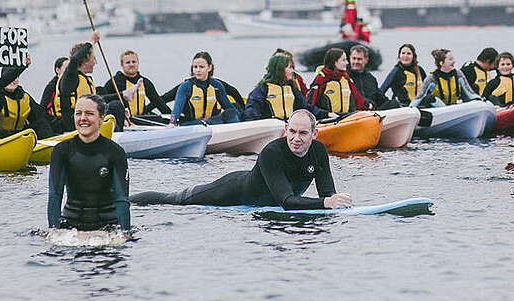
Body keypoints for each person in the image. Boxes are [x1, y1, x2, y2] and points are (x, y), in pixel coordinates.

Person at [131, 109, 352, 210]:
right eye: (291, 131)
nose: (295, 138)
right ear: (286, 129)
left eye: (303, 133)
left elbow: (326, 194)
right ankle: (126, 200)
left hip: (270, 202)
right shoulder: (272, 153)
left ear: (314, 134)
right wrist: (326, 203)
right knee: (176, 199)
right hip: (232, 191)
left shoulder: (319, 151)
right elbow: (286, 202)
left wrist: (336, 201)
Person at [47, 94, 130, 231]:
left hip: (108, 226)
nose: (83, 118)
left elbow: (122, 199)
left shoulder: (115, 152)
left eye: (89, 114)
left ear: (101, 118)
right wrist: (53, 230)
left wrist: (124, 232)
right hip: (71, 225)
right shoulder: (62, 151)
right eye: (78, 113)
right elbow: (55, 196)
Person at [55, 30, 127, 132]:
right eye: (94, 59)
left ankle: (117, 136)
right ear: (85, 60)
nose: (95, 62)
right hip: (72, 123)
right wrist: (91, 41)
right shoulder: (70, 78)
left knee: (116, 107)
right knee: (116, 106)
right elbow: (75, 60)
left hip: (89, 118)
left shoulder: (87, 79)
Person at [244, 54, 331, 121]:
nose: (292, 71)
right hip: (273, 129)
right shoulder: (263, 89)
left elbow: (306, 108)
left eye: (292, 68)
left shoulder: (292, 88)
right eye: (289, 68)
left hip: (290, 129)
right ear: (279, 69)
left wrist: (327, 114)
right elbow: (250, 113)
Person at [0, 67, 56, 141]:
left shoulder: (25, 97)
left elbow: (40, 118)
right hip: (1, 139)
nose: (12, 81)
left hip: (19, 139)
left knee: (41, 125)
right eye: (8, 77)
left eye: (15, 77)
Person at [172, 51, 244, 124]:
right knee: (211, 120)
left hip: (212, 122)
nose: (198, 70)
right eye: (195, 67)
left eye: (202, 67)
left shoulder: (217, 85)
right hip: (191, 124)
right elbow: (176, 110)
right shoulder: (185, 87)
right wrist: (172, 123)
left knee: (231, 112)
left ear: (209, 67)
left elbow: (229, 108)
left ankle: (240, 129)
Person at [103, 50, 172, 118]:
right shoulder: (115, 82)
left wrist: (173, 119)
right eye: (127, 62)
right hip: (125, 120)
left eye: (134, 62)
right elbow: (103, 99)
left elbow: (158, 102)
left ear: (138, 63)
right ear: (122, 65)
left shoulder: (145, 82)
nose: (131, 65)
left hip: (141, 119)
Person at [411, 49, 482, 108]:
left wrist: (480, 100)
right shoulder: (432, 78)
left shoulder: (458, 74)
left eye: (453, 59)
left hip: (454, 107)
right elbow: (419, 97)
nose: (454, 61)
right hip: (437, 110)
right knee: (430, 98)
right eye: (450, 59)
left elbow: (470, 93)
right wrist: (410, 109)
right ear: (441, 63)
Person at [307, 48, 366, 115]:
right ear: (335, 62)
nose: (347, 63)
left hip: (347, 118)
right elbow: (309, 106)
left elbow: (358, 100)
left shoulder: (346, 79)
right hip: (327, 120)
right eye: (343, 60)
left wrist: (370, 106)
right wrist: (326, 114)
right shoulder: (320, 81)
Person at [347, 44, 390, 109]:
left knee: (393, 104)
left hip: (371, 112)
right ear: (350, 58)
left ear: (366, 60)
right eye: (354, 58)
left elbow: (379, 97)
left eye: (359, 59)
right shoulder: (344, 77)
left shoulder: (371, 79)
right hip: (353, 112)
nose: (356, 62)